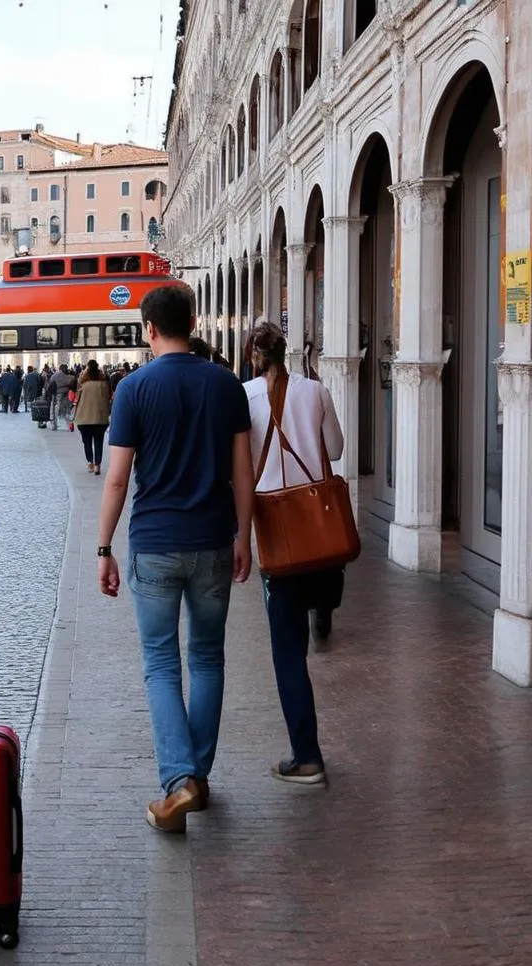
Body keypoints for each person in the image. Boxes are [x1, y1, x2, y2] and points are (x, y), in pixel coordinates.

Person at [98, 286, 255, 834]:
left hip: (155, 544)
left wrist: (103, 548)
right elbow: (244, 473)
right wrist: (245, 538)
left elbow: (117, 477)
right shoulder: (226, 383)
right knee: (208, 660)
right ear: (191, 322)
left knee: (162, 665)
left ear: (148, 329)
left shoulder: (134, 389)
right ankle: (199, 778)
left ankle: (179, 780)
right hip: (214, 539)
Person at [243, 321, 344, 785]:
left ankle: (307, 756)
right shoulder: (316, 391)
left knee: (288, 654)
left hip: (279, 537)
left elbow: (241, 468)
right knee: (316, 605)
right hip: (321, 532)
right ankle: (322, 612)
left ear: (253, 356)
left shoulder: (246, 397)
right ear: (287, 352)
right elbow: (336, 451)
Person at [73, 359, 112, 475]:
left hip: (84, 419)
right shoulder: (104, 384)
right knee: (99, 442)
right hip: (100, 418)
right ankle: (97, 465)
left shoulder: (83, 384)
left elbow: (77, 398)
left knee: (87, 442)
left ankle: (90, 462)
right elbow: (108, 398)